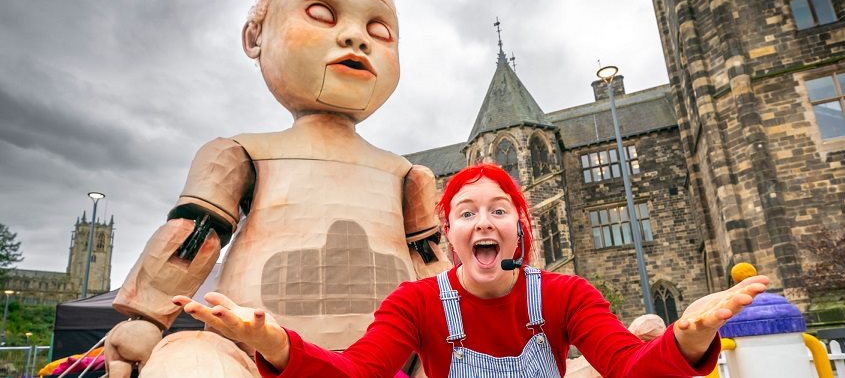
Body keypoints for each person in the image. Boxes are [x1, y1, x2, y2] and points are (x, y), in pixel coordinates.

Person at [105, 0, 451, 377]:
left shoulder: (406, 175)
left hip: (391, 361)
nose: (355, 37)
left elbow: (432, 265)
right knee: (189, 361)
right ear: (255, 37)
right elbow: (193, 235)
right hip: (249, 355)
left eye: (378, 29)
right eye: (322, 13)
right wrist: (147, 317)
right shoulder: (240, 154)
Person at [176, 163, 769, 377]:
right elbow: (356, 372)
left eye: (498, 210)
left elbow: (627, 366)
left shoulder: (566, 295)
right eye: (466, 213)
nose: (483, 222)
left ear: (519, 228)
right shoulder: (415, 302)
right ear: (451, 235)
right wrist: (277, 344)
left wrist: (686, 342)